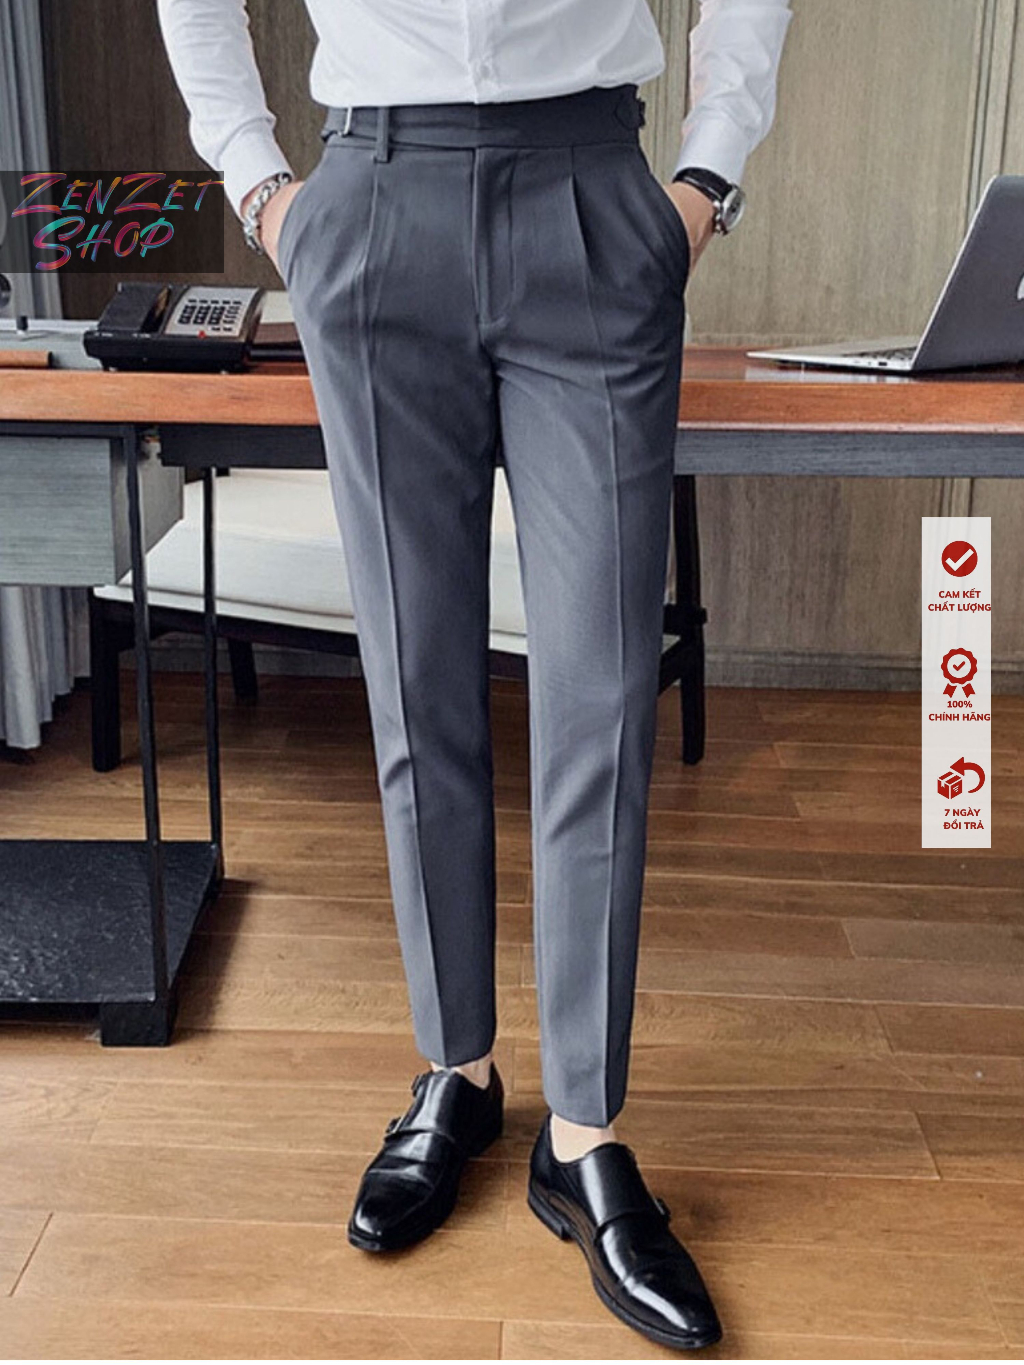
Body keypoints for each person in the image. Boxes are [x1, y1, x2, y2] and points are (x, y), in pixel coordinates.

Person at [157, 0, 792, 1349]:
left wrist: (708, 176)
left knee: (604, 702)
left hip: (592, 197)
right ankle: (457, 1068)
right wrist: (264, 188)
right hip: (373, 206)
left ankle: (585, 1133)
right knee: (416, 684)